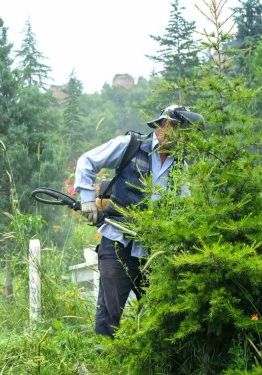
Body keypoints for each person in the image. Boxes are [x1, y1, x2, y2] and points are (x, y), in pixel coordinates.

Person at [74, 105, 204, 338]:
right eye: (182, 133)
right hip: (117, 242)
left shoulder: (180, 167)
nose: (185, 141)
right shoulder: (130, 146)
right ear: (164, 125)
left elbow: (184, 207)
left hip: (153, 250)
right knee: (110, 311)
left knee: (156, 311)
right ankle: (105, 360)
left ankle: (145, 362)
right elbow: (87, 161)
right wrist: (86, 200)